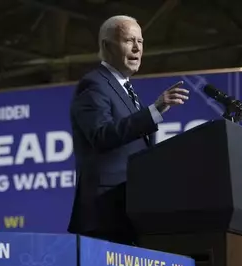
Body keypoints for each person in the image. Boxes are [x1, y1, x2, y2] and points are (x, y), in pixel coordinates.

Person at [67, 15, 190, 245]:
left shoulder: (126, 91)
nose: (137, 48)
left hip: (130, 210)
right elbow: (101, 135)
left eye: (140, 42)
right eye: (128, 40)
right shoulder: (94, 84)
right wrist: (155, 110)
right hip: (105, 212)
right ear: (107, 45)